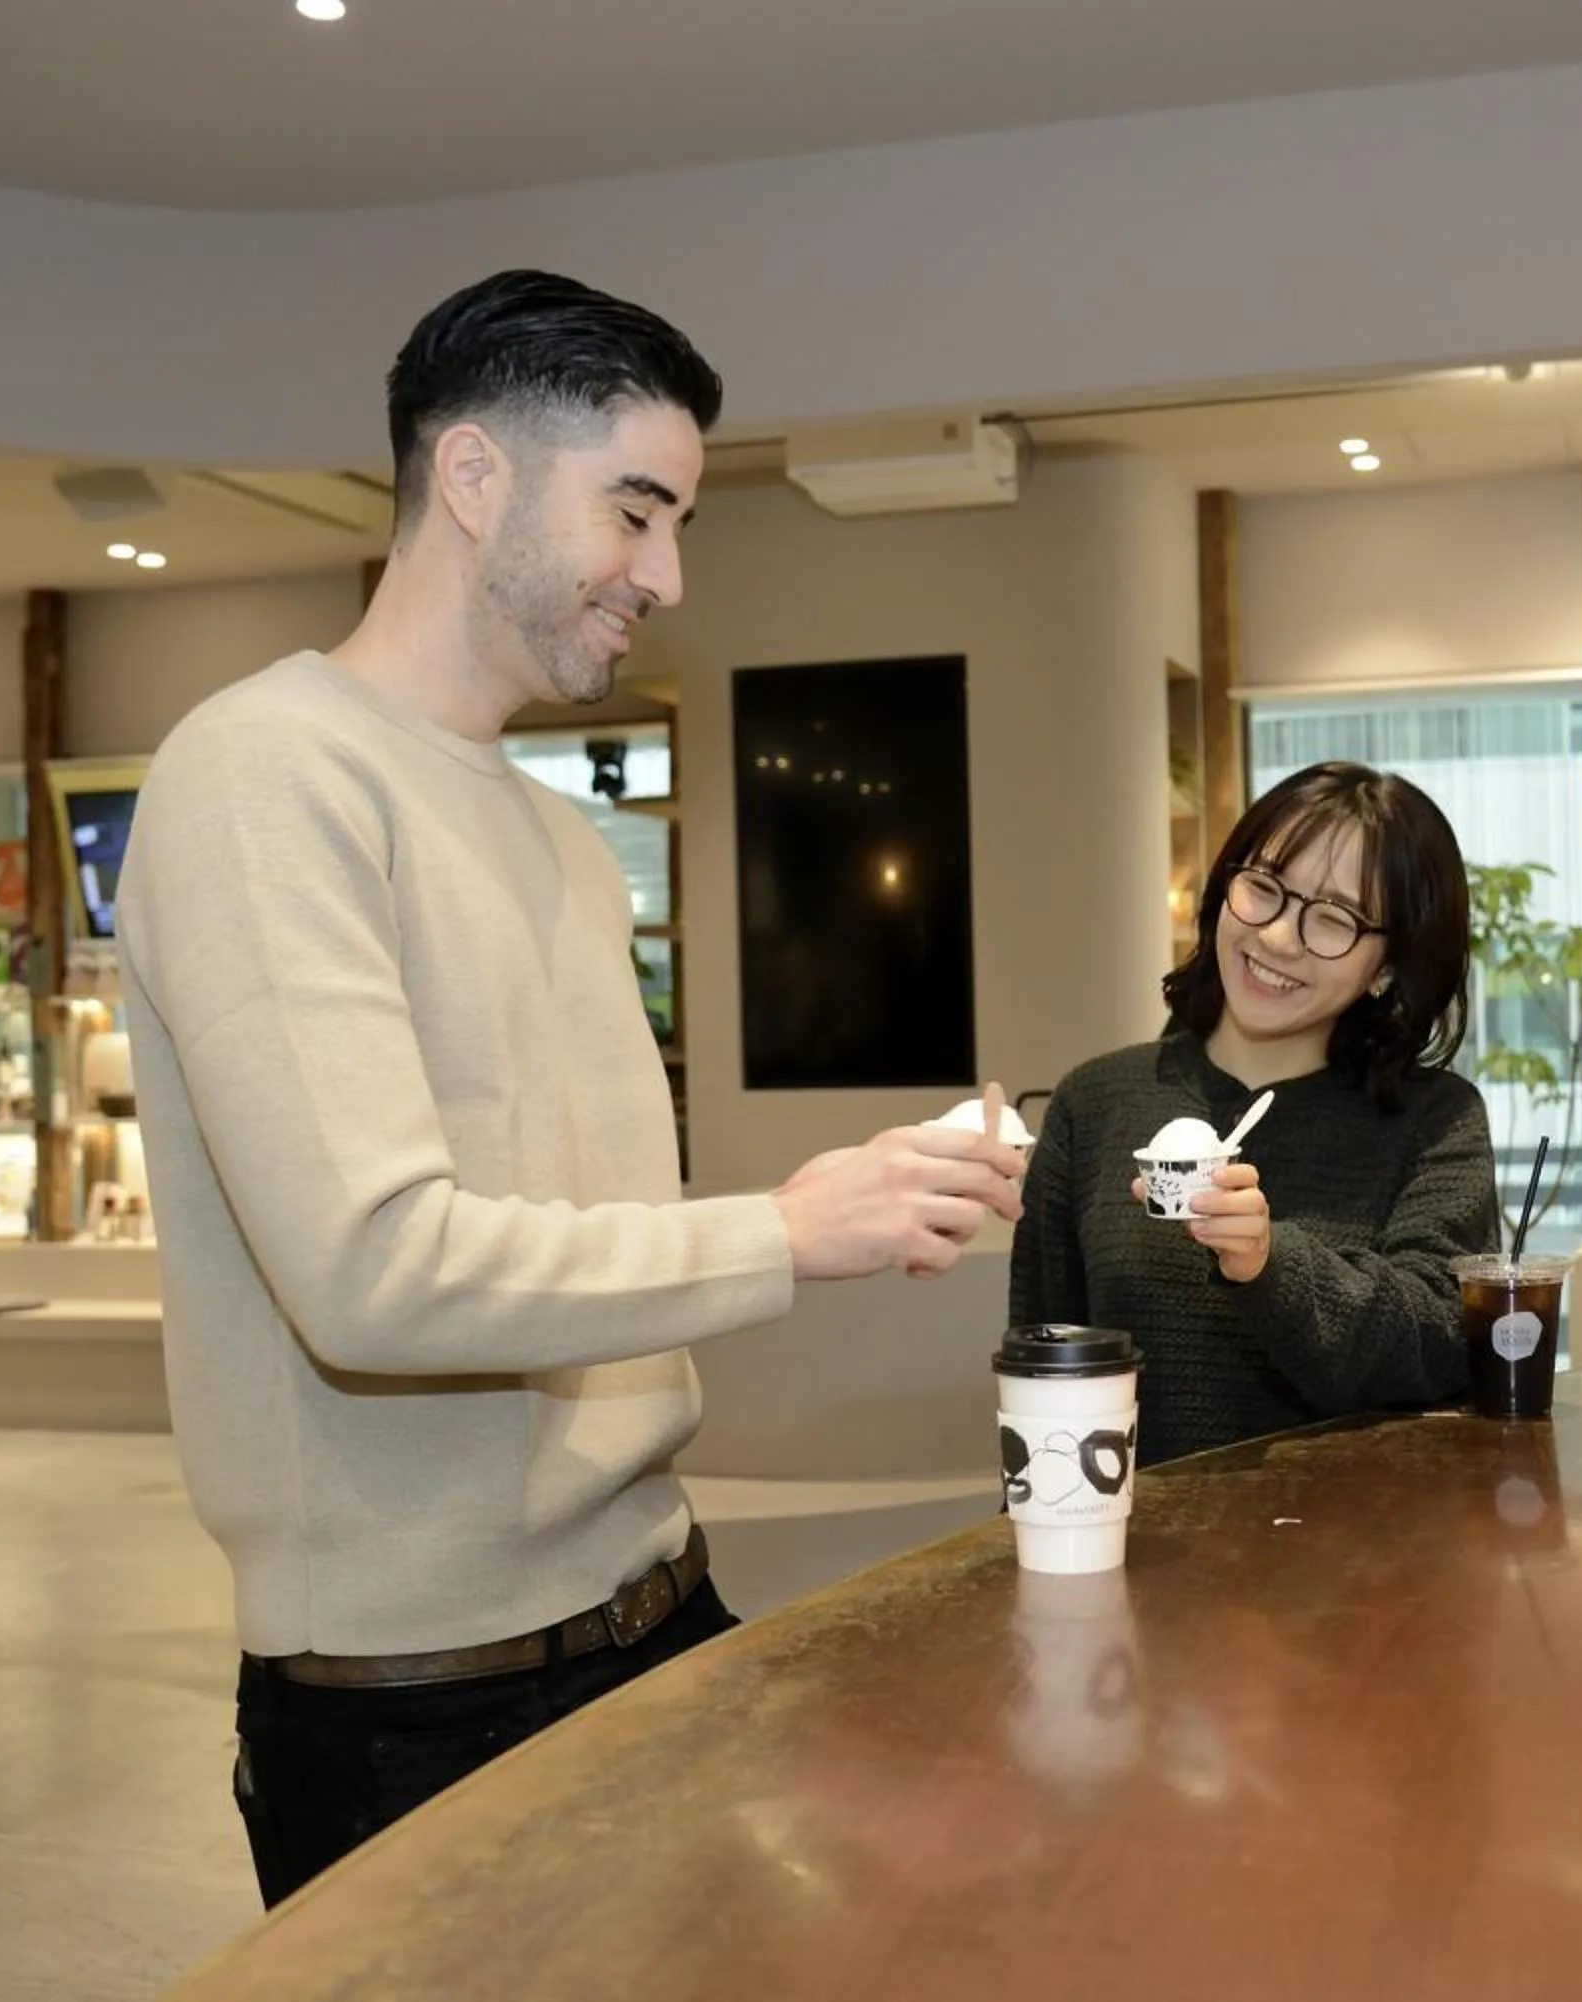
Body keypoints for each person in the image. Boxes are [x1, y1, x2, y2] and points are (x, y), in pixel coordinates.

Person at [118, 270, 1026, 1907]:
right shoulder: (263, 775)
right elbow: (374, 1273)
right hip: (421, 1701)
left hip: (658, 1602)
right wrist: (783, 1230)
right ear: (473, 479)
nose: (667, 575)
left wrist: (841, 1192)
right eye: (635, 510)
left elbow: (569, 1229)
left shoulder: (554, 832)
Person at [1011, 762, 1500, 1465]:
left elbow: (1443, 1342)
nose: (1276, 938)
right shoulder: (1096, 1102)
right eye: (1264, 889)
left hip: (1363, 1560)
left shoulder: (1435, 1120)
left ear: (1388, 967)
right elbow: (1041, 1372)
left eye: (1333, 919)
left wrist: (1270, 1262)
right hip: (1135, 1556)